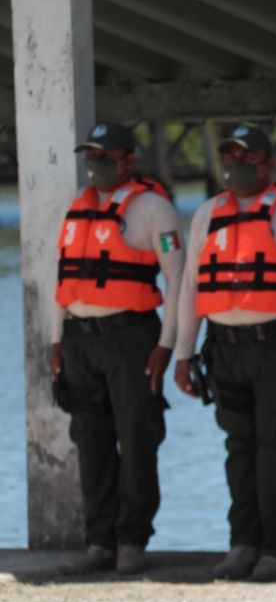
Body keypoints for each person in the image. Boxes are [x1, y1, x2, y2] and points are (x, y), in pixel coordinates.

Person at [173, 125, 276, 582]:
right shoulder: (207, 214)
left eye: (247, 156)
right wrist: (183, 352)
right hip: (223, 348)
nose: (237, 164)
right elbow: (190, 286)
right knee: (238, 448)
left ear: (268, 164)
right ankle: (243, 543)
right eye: (230, 155)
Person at [51, 122, 184, 576]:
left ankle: (132, 540)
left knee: (138, 439)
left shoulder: (153, 209)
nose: (96, 164)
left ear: (129, 160)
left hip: (131, 338)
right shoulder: (78, 206)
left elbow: (179, 281)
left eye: (106, 156)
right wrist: (56, 338)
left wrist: (167, 345)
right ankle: (99, 542)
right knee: (91, 443)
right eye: (91, 155)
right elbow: (63, 276)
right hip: (79, 341)